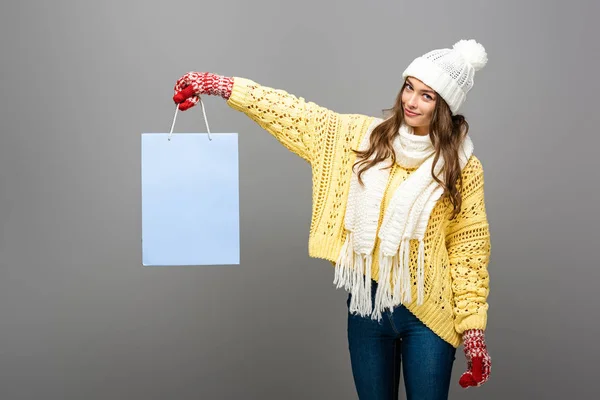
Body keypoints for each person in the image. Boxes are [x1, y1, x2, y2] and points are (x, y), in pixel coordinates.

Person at [172, 39, 492, 400]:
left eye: (427, 95)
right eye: (409, 87)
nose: (411, 101)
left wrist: (473, 332)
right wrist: (221, 86)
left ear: (445, 106)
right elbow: (293, 113)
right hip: (366, 307)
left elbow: (469, 251)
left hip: (429, 312)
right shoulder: (361, 138)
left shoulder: (463, 168)